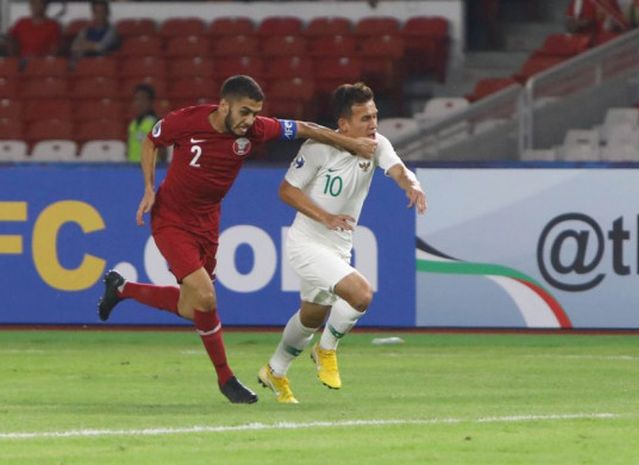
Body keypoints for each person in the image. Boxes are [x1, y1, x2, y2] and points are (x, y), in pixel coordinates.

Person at [97, 75, 377, 405]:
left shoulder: (255, 129)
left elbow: (304, 128)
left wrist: (349, 143)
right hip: (171, 219)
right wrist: (147, 187)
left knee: (192, 306)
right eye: (244, 112)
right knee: (206, 297)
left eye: (255, 113)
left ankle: (121, 288)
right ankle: (226, 378)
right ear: (225, 105)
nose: (250, 121)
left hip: (207, 224)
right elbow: (150, 141)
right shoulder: (187, 121)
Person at [256, 82, 427, 404]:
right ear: (344, 124)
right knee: (360, 294)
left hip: (338, 247)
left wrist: (411, 185)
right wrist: (325, 217)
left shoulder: (378, 145)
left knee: (311, 317)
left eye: (375, 116)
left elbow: (398, 169)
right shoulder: (318, 148)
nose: (373, 124)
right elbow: (286, 191)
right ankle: (326, 350)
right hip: (306, 243)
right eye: (365, 118)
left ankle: (275, 370)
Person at [127, 83, 164, 163]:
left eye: (143, 99)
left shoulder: (156, 123)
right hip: (132, 170)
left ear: (150, 102)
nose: (139, 103)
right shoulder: (132, 124)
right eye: (137, 99)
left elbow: (162, 155)